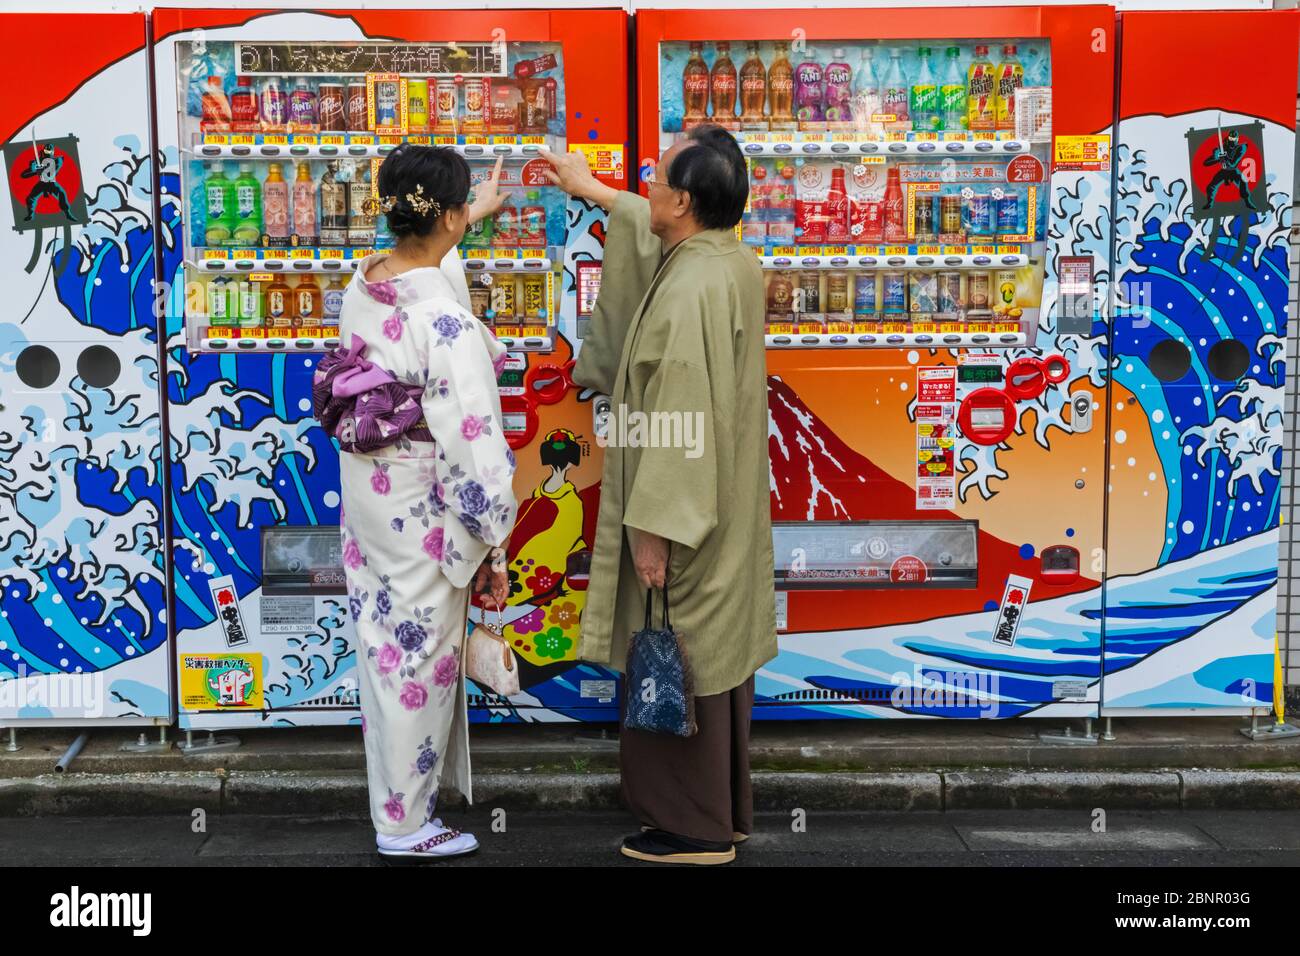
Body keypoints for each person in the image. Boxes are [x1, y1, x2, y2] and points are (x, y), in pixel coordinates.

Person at [541, 125, 777, 865]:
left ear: (682, 199)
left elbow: (679, 411)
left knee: (679, 647)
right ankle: (724, 809)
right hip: (727, 500)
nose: (644, 185)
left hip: (686, 511)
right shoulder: (726, 257)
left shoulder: (688, 290)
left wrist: (655, 528)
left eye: (654, 177)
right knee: (712, 650)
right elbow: (648, 229)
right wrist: (592, 189)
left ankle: (691, 827)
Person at [312, 146, 517, 861]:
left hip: (371, 503)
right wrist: (494, 536)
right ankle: (404, 825)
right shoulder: (449, 327)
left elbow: (431, 277)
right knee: (419, 658)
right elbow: (473, 447)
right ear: (452, 217)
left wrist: (466, 220)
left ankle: (399, 807)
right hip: (427, 514)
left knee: (384, 653)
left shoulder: (364, 281)